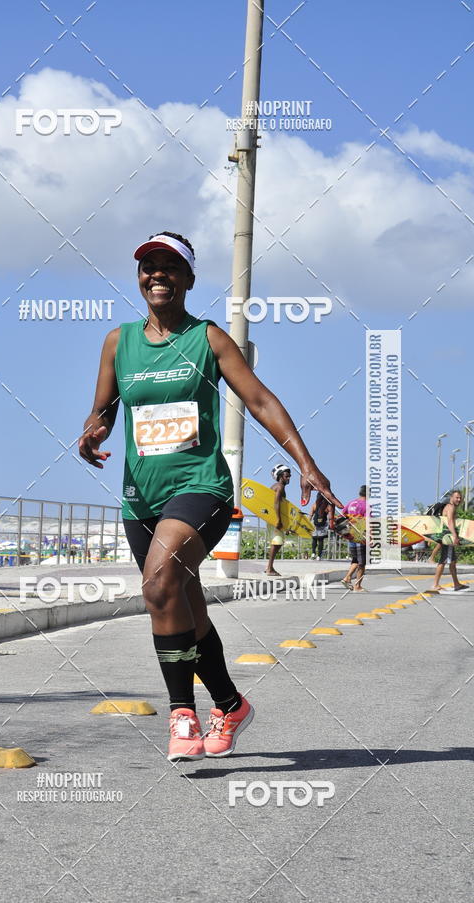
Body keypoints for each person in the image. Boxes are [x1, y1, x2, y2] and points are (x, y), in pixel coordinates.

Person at [79, 230, 341, 761]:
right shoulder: (117, 342)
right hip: (141, 497)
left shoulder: (209, 339)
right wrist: (94, 430)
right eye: (149, 266)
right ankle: (231, 704)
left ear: (189, 280)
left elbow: (261, 401)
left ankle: (181, 716)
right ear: (138, 277)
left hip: (202, 489)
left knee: (158, 583)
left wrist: (306, 466)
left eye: (170, 268)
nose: (158, 275)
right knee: (183, 607)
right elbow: (105, 409)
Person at [429, 490, 468, 594]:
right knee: (444, 560)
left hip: (447, 537)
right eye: (457, 497)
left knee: (453, 562)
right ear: (451, 497)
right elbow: (450, 521)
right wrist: (455, 536)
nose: (459, 499)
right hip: (448, 538)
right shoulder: (450, 507)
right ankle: (435, 584)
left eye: (460, 498)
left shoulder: (449, 507)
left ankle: (456, 584)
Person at [340, 484, 369, 592]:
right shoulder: (366, 505)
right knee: (362, 563)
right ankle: (357, 585)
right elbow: (367, 522)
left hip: (350, 536)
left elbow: (342, 516)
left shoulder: (351, 503)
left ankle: (347, 578)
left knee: (356, 560)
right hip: (361, 537)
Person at [265, 464, 291, 576]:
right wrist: (279, 520)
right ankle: (269, 568)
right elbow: (276, 503)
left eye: (289, 476)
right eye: (286, 476)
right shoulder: (279, 487)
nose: (289, 478)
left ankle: (269, 567)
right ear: (280, 476)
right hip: (275, 518)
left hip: (272, 517)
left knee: (277, 542)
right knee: (277, 543)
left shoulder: (276, 486)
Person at [310, 491, 334, 560]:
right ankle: (319, 556)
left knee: (314, 539)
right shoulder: (328, 506)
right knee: (321, 540)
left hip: (315, 524)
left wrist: (308, 523)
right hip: (323, 525)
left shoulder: (314, 505)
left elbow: (311, 515)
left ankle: (313, 553)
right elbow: (330, 518)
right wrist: (331, 525)